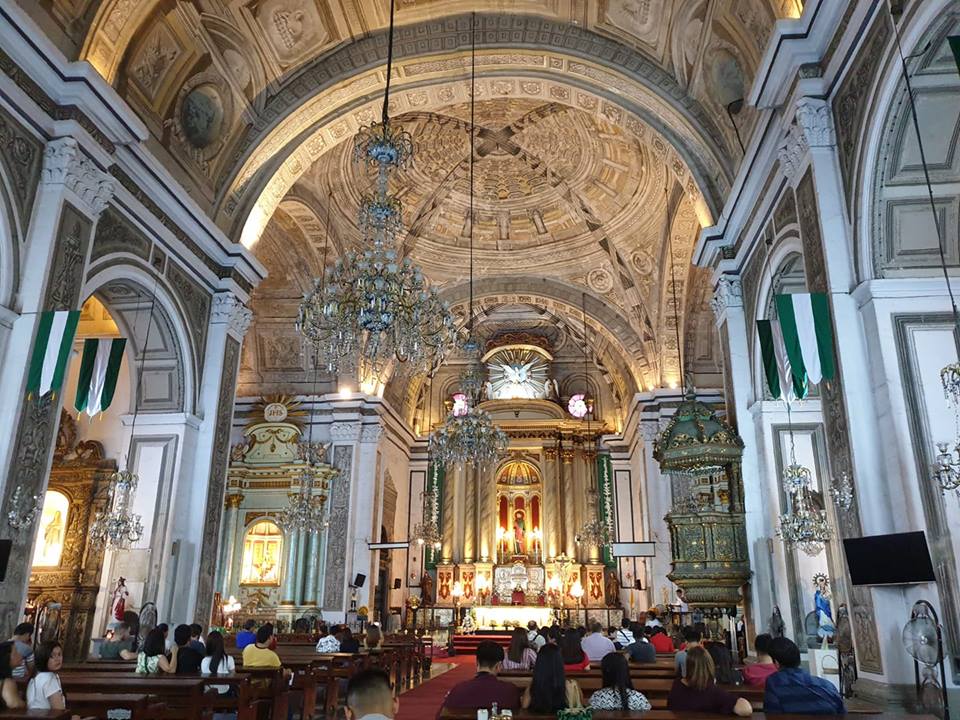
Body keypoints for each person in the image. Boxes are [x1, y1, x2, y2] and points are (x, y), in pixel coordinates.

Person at [764, 637, 845, 715]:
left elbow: (772, 715)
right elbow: (842, 713)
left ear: (776, 663)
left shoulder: (774, 683)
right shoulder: (828, 686)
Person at [667, 646, 752, 716]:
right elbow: (746, 709)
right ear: (710, 666)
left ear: (688, 665)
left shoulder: (677, 685)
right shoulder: (712, 692)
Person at [441, 640, 521, 712]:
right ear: (499, 666)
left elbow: (441, 715)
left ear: (477, 663)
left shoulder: (458, 690)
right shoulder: (510, 691)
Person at [522, 644, 582, 712]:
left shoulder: (534, 686)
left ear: (539, 663)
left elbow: (524, 706)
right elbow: (577, 707)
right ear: (559, 662)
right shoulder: (570, 686)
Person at [26, 642, 68, 711]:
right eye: (52, 656)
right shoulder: (49, 679)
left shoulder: (37, 675)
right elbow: (59, 711)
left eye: (59, 654)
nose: (57, 659)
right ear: (43, 658)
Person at [0, 642, 24, 709]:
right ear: (6, 657)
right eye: (16, 653)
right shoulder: (7, 682)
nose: (20, 655)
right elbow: (14, 704)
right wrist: (23, 703)